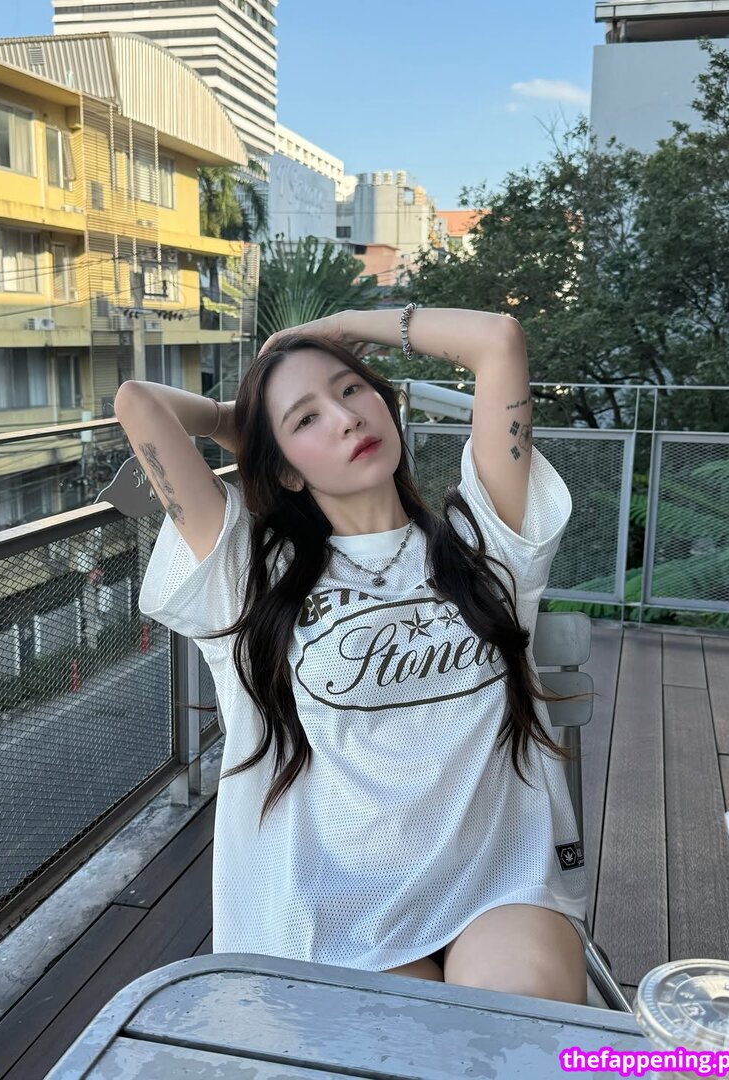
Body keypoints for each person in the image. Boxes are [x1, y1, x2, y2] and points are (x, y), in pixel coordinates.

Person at [115, 305, 587, 1003]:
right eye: (306, 419)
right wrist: (233, 420)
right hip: (333, 903)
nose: (344, 418)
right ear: (286, 470)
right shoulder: (250, 574)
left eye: (351, 390)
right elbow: (139, 403)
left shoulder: (486, 539)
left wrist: (342, 326)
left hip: (497, 879)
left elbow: (498, 340)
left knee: (510, 1015)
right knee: (388, 1040)